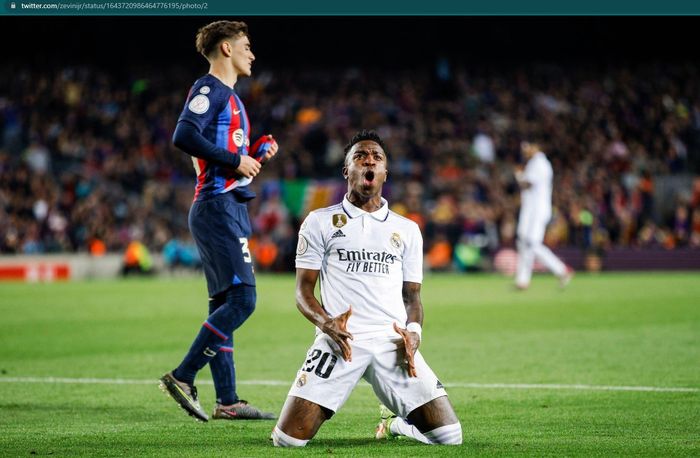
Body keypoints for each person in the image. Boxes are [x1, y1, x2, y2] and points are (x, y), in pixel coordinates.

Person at [271, 130, 462, 447]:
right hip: (339, 340)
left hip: (391, 341)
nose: (369, 161)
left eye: (377, 157)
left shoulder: (407, 230)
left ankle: (397, 425)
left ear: (385, 172)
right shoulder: (319, 222)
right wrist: (326, 324)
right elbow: (303, 292)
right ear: (347, 170)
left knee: (449, 437)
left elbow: (412, 297)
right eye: (360, 156)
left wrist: (414, 331)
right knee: (288, 441)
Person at [159, 20, 278, 422]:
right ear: (226, 49)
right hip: (216, 208)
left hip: (224, 205)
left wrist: (255, 153)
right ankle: (183, 375)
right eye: (246, 45)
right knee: (243, 300)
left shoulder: (231, 100)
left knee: (225, 303)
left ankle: (227, 401)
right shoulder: (210, 89)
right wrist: (235, 159)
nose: (252, 53)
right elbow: (184, 136)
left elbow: (225, 158)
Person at [514, 141, 573, 290]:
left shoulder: (540, 163)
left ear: (537, 146)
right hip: (530, 210)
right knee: (523, 242)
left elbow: (527, 184)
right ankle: (522, 281)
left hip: (538, 210)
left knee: (532, 243)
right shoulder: (533, 163)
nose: (524, 150)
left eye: (528, 146)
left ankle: (562, 270)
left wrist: (518, 175)